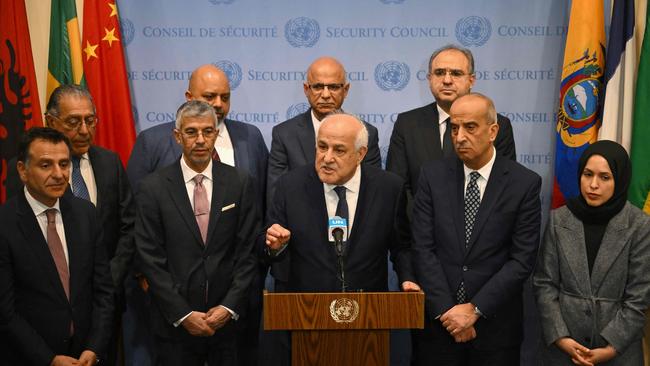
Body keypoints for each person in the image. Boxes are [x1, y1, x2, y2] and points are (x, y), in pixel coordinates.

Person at [126, 64, 268, 366]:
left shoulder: (240, 182)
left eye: (207, 132)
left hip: (228, 322)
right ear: (177, 136)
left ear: (216, 134)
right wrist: (181, 313)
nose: (200, 140)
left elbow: (246, 251)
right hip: (174, 322)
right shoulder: (154, 187)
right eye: (191, 132)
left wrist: (228, 307)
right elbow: (150, 254)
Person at [5, 84, 134, 365]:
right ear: (51, 121)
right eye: (74, 122)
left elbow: (128, 226)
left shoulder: (109, 164)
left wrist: (107, 281)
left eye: (90, 120)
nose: (85, 130)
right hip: (39, 336)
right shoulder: (20, 179)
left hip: (99, 316)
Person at [411, 93, 541, 365]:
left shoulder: (524, 183)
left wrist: (474, 310)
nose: (459, 137)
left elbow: (521, 260)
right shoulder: (432, 176)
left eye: (470, 127)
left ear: (493, 131)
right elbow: (423, 248)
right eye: (454, 128)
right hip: (439, 325)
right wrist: (449, 312)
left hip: (495, 329)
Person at [265, 112, 418, 292]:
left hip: (368, 307)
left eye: (339, 150)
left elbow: (401, 246)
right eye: (322, 147)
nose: (327, 158)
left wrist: (408, 278)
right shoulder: (290, 186)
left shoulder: (389, 189)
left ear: (360, 154)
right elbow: (269, 239)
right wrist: (274, 246)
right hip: (307, 307)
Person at [0, 127, 114, 365]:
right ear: (22, 170)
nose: (59, 174)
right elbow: (5, 311)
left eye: (64, 164)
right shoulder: (5, 224)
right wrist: (48, 359)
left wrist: (94, 348)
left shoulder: (86, 214)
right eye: (45, 165)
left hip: (86, 356)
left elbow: (103, 291)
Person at [533, 140, 650, 365]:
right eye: (588, 174)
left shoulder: (640, 225)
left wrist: (611, 347)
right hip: (562, 352)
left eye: (604, 177)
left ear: (620, 178)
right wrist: (561, 338)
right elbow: (543, 284)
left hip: (619, 353)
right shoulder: (559, 219)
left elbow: (639, 296)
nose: (593, 185)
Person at [387, 44, 516, 201]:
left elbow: (503, 186)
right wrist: (422, 222)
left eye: (456, 73)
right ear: (429, 79)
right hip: (419, 223)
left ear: (471, 80)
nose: (447, 80)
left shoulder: (498, 125)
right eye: (439, 73)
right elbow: (398, 188)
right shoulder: (407, 124)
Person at [267, 56, 381, 205]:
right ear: (306, 89)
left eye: (333, 87)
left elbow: (372, 189)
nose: (326, 95)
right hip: (300, 222)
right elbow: (276, 195)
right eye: (318, 87)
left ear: (345, 90)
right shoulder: (284, 134)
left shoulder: (366, 133)